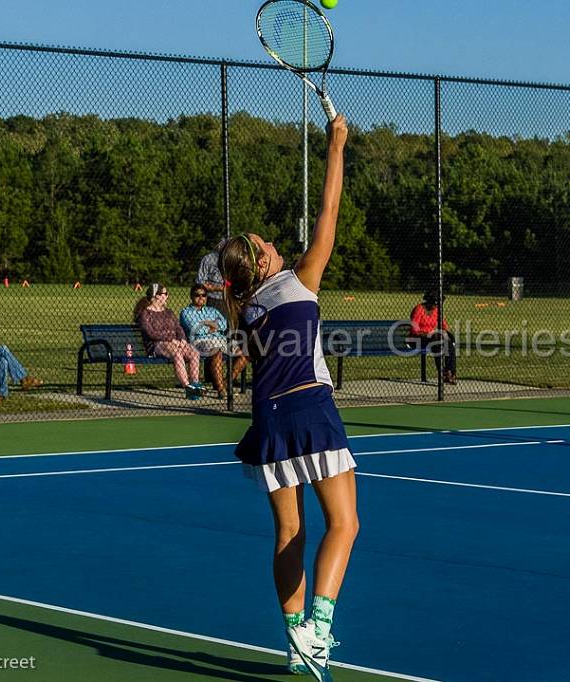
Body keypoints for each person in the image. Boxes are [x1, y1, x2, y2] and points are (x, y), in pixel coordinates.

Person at [218, 114, 355, 682]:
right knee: (344, 525)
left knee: (289, 531)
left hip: (270, 419)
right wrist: (336, 145)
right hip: (310, 409)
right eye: (265, 244)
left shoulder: (245, 309)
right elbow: (329, 212)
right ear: (263, 263)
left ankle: (298, 641)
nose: (273, 241)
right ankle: (319, 629)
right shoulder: (300, 279)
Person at [134, 284, 203, 400]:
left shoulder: (169, 312)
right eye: (165, 294)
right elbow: (151, 334)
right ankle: (187, 387)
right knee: (177, 353)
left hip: (175, 342)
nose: (167, 296)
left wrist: (182, 340)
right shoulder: (145, 313)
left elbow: (178, 328)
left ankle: (195, 385)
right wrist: (171, 339)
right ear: (156, 296)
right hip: (155, 345)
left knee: (194, 353)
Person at [179, 285, 247, 399]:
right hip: (200, 342)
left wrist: (207, 325)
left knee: (244, 354)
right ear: (191, 296)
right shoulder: (186, 312)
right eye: (197, 295)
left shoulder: (212, 310)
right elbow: (195, 329)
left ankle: (225, 383)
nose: (201, 297)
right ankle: (221, 390)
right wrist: (212, 325)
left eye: (204, 295)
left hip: (220, 340)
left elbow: (224, 324)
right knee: (217, 352)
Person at [410, 290, 457, 384]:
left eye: (438, 305)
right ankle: (443, 373)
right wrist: (429, 335)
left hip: (433, 339)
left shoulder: (436, 310)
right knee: (438, 342)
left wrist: (444, 333)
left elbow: (443, 325)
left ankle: (450, 372)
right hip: (417, 339)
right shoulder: (419, 309)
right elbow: (414, 330)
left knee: (449, 342)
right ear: (429, 302)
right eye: (435, 304)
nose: (436, 307)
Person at [196, 237, 229, 315]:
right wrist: (218, 288)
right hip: (214, 298)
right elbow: (200, 282)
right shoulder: (208, 259)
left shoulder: (234, 259)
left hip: (230, 299)